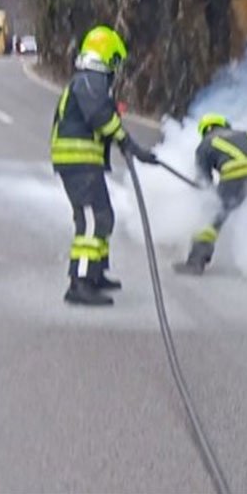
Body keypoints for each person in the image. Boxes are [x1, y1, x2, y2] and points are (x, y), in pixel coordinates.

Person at [51, 25, 157, 306]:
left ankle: (95, 272)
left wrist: (128, 145)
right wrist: (126, 141)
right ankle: (80, 283)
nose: (117, 69)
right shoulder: (90, 79)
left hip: (86, 162)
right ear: (108, 54)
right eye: (116, 61)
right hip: (78, 162)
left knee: (104, 216)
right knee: (90, 222)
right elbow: (99, 116)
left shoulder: (90, 81)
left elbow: (102, 117)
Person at [173, 113, 247, 275]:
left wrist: (211, 195)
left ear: (205, 130)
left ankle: (196, 262)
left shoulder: (205, 144)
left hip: (235, 177)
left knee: (211, 215)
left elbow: (204, 182)